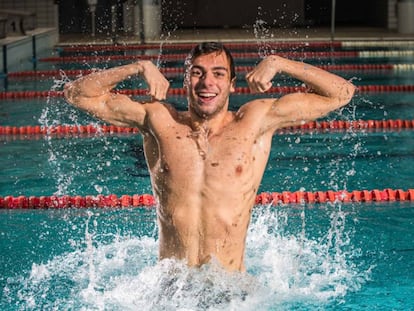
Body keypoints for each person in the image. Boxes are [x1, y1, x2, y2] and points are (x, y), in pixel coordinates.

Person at [64, 42, 355, 272]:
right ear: (185, 81)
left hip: (231, 291)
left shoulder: (255, 121)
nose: (207, 82)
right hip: (171, 289)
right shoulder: (158, 120)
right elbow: (77, 94)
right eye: (197, 72)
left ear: (231, 84)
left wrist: (279, 63)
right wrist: (139, 67)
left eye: (218, 73)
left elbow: (342, 93)